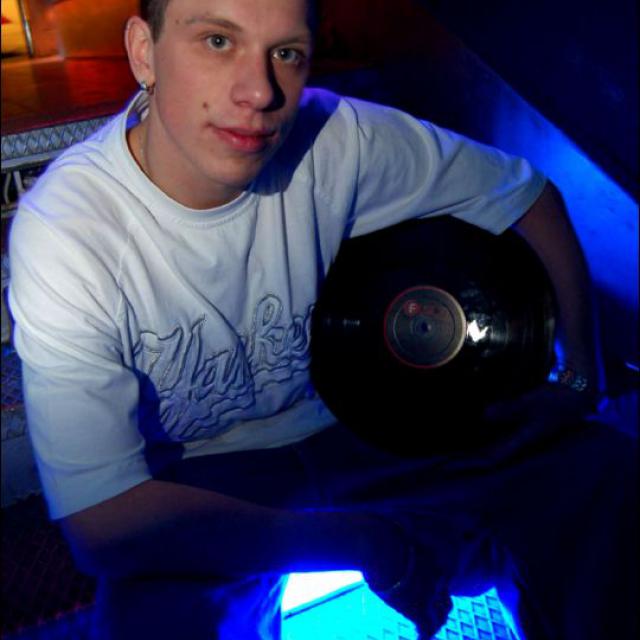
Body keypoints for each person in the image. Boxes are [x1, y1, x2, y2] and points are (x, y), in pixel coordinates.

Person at [8, 0, 637, 638]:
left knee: (600, 473)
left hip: (359, 429)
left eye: (286, 53)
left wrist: (581, 376)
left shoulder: (334, 135)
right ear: (145, 53)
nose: (260, 92)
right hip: (202, 478)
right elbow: (104, 526)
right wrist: (367, 544)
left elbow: (526, 194)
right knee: (147, 624)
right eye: (218, 41)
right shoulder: (68, 231)